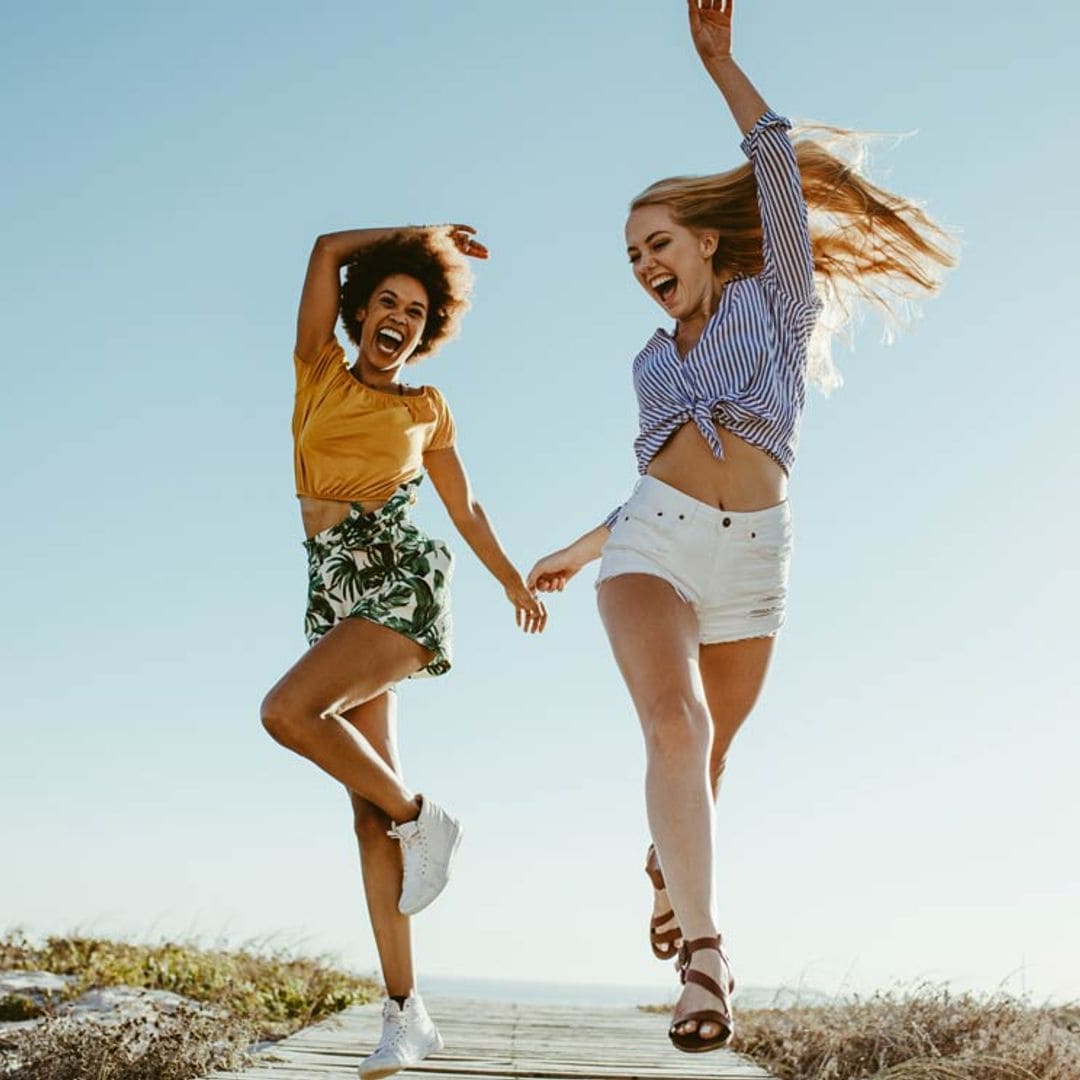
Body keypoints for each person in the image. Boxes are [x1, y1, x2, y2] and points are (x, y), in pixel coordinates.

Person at [527, 0, 954, 1054]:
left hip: (756, 557)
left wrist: (722, 66)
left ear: (707, 243)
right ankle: (706, 960)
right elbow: (649, 480)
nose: (643, 264)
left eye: (656, 243)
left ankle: (667, 868)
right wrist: (586, 551)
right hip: (652, 547)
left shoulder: (777, 304)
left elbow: (775, 158)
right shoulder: (646, 361)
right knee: (680, 730)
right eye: (630, 255)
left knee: (707, 765)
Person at [261, 223, 546, 1078]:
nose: (399, 318)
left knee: (286, 712)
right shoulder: (317, 369)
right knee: (365, 813)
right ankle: (404, 1012)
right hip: (335, 594)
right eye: (386, 301)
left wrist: (509, 582)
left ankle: (428, 819)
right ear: (358, 313)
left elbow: (466, 512)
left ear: (428, 331)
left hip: (400, 582)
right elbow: (318, 248)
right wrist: (421, 234)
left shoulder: (427, 407)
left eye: (416, 311)